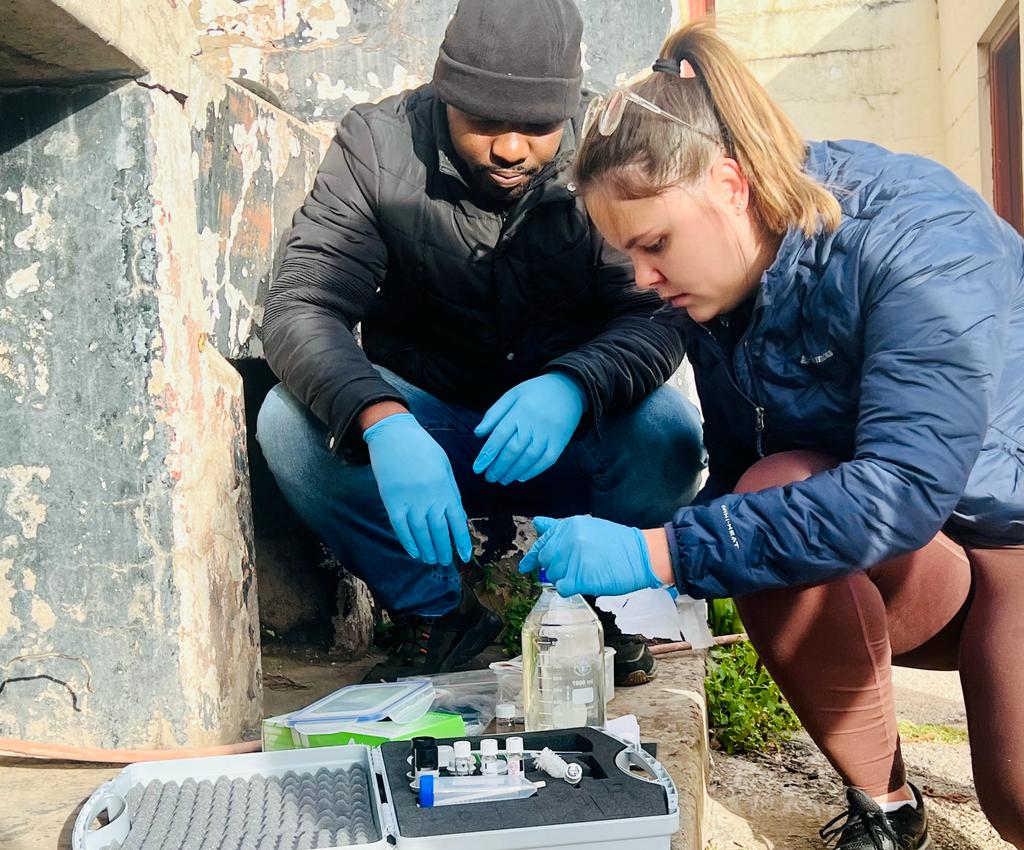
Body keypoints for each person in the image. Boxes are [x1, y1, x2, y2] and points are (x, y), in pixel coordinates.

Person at [520, 19, 1024, 850]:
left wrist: (656, 552)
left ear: (729, 184)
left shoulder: (915, 238)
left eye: (653, 246)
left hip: (1006, 533)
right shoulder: (722, 285)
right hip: (935, 559)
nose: (643, 279)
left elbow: (899, 491)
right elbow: (753, 473)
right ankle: (886, 809)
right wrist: (668, 582)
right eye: (628, 255)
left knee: (1018, 803)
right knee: (768, 492)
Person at [256, 0, 706, 685]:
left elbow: (654, 313)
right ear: (445, 96)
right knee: (287, 424)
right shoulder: (377, 146)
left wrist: (573, 385)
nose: (511, 149)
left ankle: (586, 609)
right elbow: (301, 305)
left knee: (670, 435)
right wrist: (383, 421)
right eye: (485, 124)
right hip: (427, 425)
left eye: (536, 128)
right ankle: (437, 610)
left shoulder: (608, 147)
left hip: (569, 429)